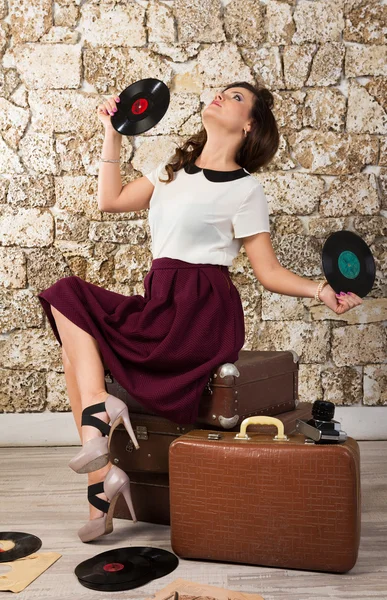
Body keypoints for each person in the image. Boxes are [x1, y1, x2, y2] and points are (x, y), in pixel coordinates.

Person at [37, 80, 363, 543]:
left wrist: (320, 290)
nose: (218, 94)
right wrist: (112, 133)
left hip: (201, 314)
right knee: (67, 305)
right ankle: (103, 468)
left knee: (75, 325)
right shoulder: (172, 169)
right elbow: (109, 201)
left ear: (249, 124)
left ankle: (98, 445)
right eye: (221, 90)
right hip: (160, 302)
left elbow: (267, 271)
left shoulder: (247, 190)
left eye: (234, 97)